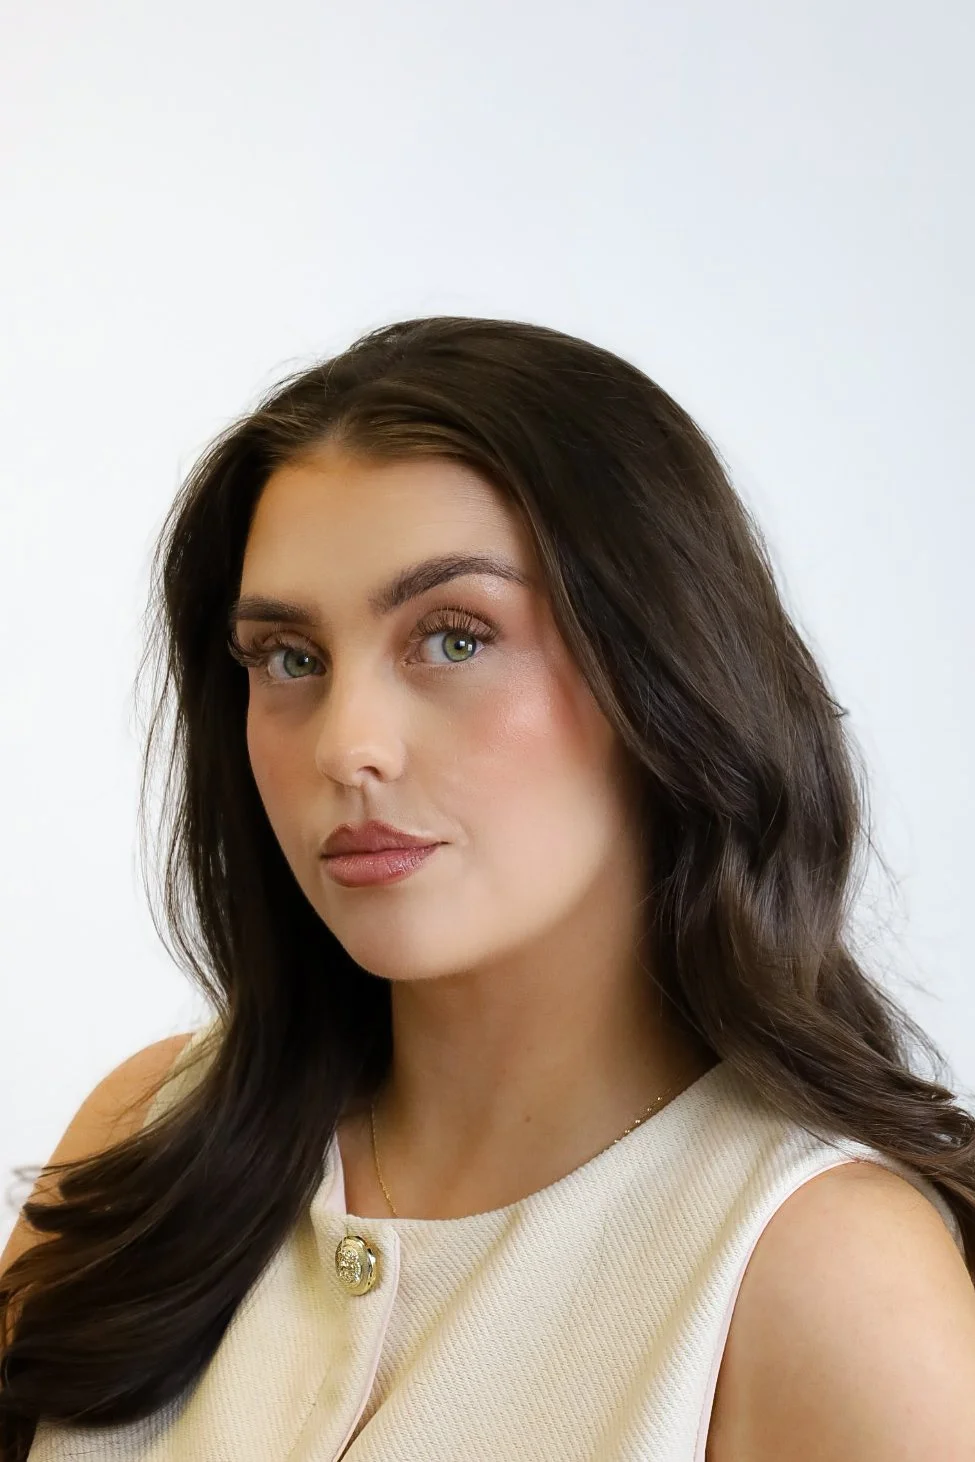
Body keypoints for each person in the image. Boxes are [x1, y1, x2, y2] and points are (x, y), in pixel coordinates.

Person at [2, 315, 975, 1462]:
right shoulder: (160, 1132)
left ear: (663, 678)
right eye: (289, 658)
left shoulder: (821, 1275)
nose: (347, 746)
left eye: (454, 638)